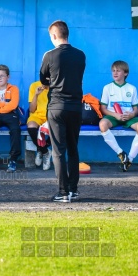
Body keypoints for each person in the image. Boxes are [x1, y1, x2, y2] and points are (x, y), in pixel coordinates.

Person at [40, 20, 86, 203]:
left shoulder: (49, 55)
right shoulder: (81, 55)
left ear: (53, 36)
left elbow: (43, 79)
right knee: (73, 149)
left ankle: (63, 192)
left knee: (58, 151)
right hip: (76, 107)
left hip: (57, 107)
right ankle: (73, 190)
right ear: (67, 34)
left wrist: (52, 80)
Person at [99, 60, 138, 172]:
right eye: (113, 71)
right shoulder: (107, 88)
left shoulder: (132, 88)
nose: (115, 73)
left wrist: (131, 115)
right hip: (113, 116)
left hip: (128, 117)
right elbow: (103, 109)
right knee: (102, 125)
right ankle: (120, 153)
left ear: (125, 73)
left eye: (118, 71)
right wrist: (115, 115)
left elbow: (135, 109)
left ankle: (129, 159)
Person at [26, 80, 52, 170]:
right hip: (37, 116)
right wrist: (36, 95)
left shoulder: (57, 86)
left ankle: (41, 150)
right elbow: (32, 110)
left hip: (51, 116)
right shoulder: (34, 85)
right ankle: (45, 151)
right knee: (31, 127)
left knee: (60, 128)